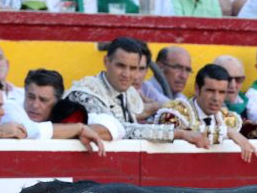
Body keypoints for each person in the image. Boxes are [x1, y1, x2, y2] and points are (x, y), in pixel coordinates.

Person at [63, 36, 206, 145]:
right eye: (120, 66)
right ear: (106, 61)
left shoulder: (128, 92)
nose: (126, 74)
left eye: (133, 68)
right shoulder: (85, 93)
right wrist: (178, 134)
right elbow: (118, 129)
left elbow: (134, 120)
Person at [154, 64, 257, 164]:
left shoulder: (227, 118)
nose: (216, 98)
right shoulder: (174, 113)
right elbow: (184, 133)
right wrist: (228, 132)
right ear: (197, 89)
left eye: (221, 92)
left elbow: (254, 128)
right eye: (210, 91)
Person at [0, 68, 108, 153]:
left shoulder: (62, 112)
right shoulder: (10, 107)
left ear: (58, 102)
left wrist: (78, 130)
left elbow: (112, 125)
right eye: (31, 97)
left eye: (43, 100)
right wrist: (77, 129)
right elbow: (25, 131)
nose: (35, 105)